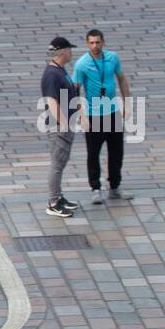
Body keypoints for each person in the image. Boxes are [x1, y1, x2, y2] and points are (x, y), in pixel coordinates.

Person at [72, 28, 133, 204]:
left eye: (98, 42)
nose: (95, 45)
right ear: (87, 43)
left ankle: (114, 187)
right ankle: (95, 188)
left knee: (116, 152)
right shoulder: (82, 64)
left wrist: (127, 103)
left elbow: (121, 79)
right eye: (91, 42)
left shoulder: (112, 58)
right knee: (93, 154)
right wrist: (81, 116)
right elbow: (75, 90)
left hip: (112, 112)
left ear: (103, 42)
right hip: (93, 114)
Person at [39, 37, 83, 219]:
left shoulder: (59, 70)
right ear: (63, 51)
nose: (71, 53)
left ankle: (59, 196)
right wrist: (64, 124)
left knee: (61, 163)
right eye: (69, 50)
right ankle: (53, 202)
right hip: (58, 127)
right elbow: (51, 101)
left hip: (66, 124)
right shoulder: (51, 74)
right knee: (57, 165)